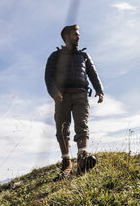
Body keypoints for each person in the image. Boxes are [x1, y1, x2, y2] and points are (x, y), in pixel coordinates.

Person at [45, 24, 104, 178]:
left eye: (78, 35)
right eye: (74, 35)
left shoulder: (84, 56)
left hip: (81, 95)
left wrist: (99, 90)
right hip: (62, 96)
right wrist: (53, 91)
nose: (78, 37)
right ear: (66, 37)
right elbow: (49, 76)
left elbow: (93, 73)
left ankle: (83, 158)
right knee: (62, 128)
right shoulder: (55, 56)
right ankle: (66, 161)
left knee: (82, 125)